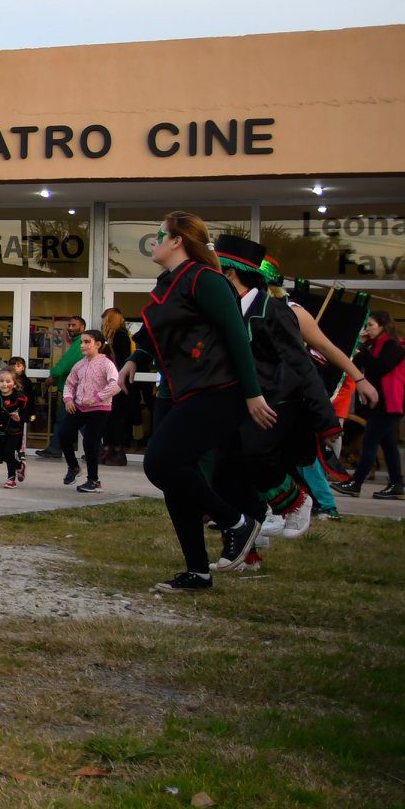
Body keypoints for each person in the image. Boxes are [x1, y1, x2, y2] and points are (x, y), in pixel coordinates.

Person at [115, 212, 274, 594]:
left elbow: (237, 335)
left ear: (178, 241)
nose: (154, 242)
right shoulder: (169, 282)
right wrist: (136, 359)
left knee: (159, 462)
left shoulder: (207, 280)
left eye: (159, 235)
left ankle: (238, 523)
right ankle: (198, 573)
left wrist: (253, 394)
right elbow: (155, 334)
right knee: (175, 480)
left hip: (218, 390)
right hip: (180, 390)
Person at [207, 236, 340, 560]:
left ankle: (295, 502)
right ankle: (245, 550)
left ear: (229, 274)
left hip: (278, 403)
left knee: (255, 453)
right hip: (236, 404)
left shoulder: (273, 310)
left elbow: (301, 365)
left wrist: (327, 421)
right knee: (225, 474)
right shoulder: (226, 311)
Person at [336, 311, 405, 500]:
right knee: (388, 445)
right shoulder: (376, 345)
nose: (368, 329)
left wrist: (360, 351)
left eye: (371, 325)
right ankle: (397, 485)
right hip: (381, 403)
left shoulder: (392, 346)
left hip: (389, 403)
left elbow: (380, 367)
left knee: (370, 441)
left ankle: (356, 482)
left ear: (382, 326)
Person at [60, 330, 119, 492]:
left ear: (98, 345)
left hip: (99, 409)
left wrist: (97, 398)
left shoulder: (106, 363)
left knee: (90, 442)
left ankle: (94, 481)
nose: (83, 345)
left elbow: (116, 385)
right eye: (82, 342)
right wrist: (68, 399)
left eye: (87, 342)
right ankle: (74, 467)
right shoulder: (80, 364)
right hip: (79, 407)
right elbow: (69, 384)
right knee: (64, 434)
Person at [41, 315, 86, 458]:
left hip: (74, 391)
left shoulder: (79, 344)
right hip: (74, 389)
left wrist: (52, 375)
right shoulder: (77, 343)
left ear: (82, 328)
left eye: (74, 325)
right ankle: (55, 447)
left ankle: (98, 451)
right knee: (64, 420)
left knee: (78, 422)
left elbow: (63, 365)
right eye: (69, 325)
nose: (70, 328)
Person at [99, 308, 135, 465]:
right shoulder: (116, 336)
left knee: (116, 419)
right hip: (115, 384)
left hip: (117, 385)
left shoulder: (120, 336)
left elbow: (120, 360)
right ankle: (110, 450)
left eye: (105, 320)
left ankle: (117, 452)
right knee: (111, 419)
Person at [0, 367, 30, 487]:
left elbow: (26, 413)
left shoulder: (19, 398)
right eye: (1, 381)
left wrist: (20, 416)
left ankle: (11, 478)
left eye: (8, 381)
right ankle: (19, 466)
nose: (4, 384)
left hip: (13, 431)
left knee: (8, 453)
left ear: (14, 384)